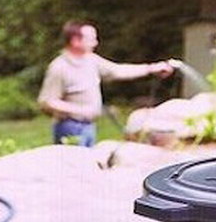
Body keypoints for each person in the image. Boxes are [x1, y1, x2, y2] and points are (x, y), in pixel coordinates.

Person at [38, 20, 174, 147]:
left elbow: (118, 71)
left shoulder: (91, 60)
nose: (95, 43)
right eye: (91, 39)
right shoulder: (59, 67)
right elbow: (47, 101)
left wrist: (151, 68)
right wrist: (80, 110)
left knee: (88, 168)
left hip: (88, 126)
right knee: (72, 169)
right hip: (69, 127)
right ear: (75, 41)